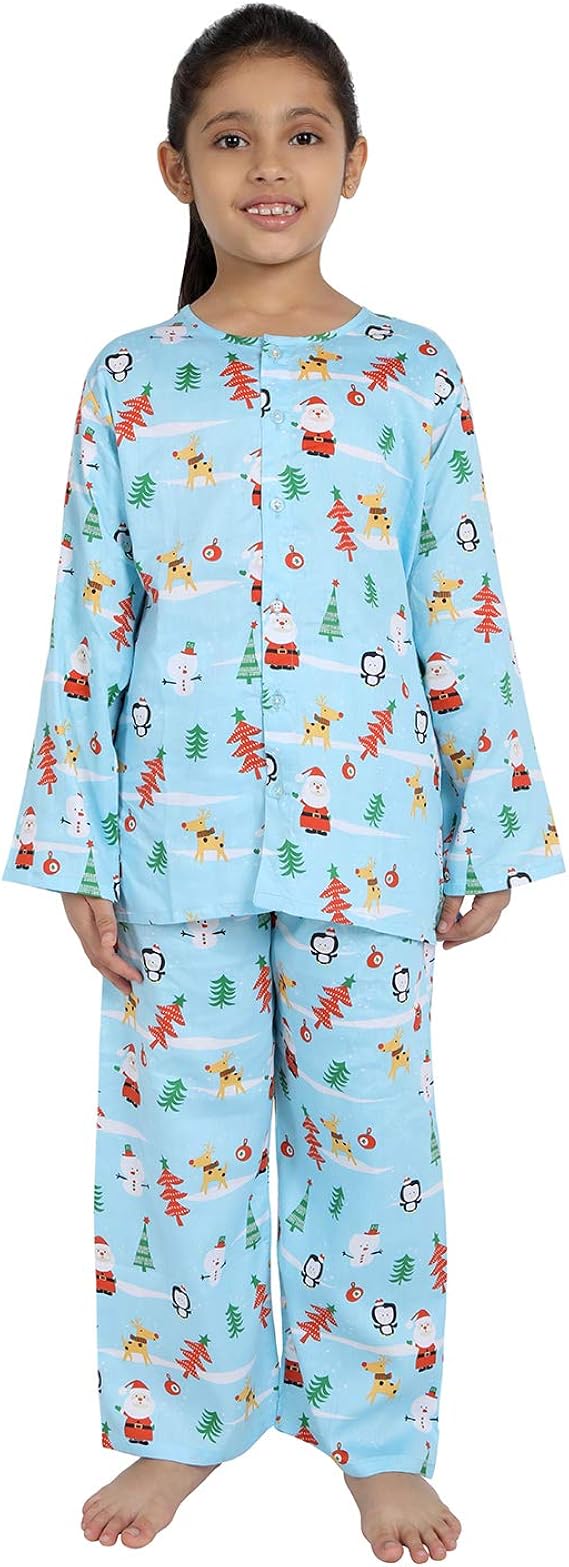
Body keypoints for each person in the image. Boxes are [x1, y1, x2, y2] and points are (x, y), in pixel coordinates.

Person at [2, 5, 566, 1561]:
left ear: (354, 161)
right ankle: (186, 1421)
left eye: (301, 134)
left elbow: (458, 598)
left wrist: (491, 822)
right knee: (173, 1156)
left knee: (368, 1145)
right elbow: (88, 615)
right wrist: (74, 845)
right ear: (173, 167)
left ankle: (376, 1434)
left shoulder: (410, 373)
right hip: (168, 846)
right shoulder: (130, 379)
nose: (268, 165)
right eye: (231, 137)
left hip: (370, 841)